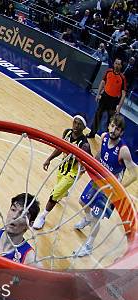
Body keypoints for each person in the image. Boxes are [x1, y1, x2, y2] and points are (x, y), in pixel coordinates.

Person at [74, 114, 137, 257]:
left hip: (110, 189)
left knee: (96, 217)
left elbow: (135, 174)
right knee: (82, 201)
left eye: (118, 128)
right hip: (98, 180)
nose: (114, 130)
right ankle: (87, 219)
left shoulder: (123, 150)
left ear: (121, 132)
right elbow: (100, 155)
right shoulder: (103, 137)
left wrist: (120, 188)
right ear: (109, 125)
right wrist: (89, 166)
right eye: (112, 126)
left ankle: (89, 245)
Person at [33, 115, 91, 230]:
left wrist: (84, 167)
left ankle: (42, 216)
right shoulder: (67, 133)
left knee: (54, 195)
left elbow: (90, 160)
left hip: (72, 174)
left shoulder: (84, 144)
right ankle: (63, 192)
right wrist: (49, 159)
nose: (76, 125)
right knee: (60, 191)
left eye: (79, 124)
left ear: (84, 127)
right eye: (75, 122)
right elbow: (60, 148)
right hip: (62, 168)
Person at [88, 58, 127, 138]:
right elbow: (103, 82)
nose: (117, 65)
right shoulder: (108, 72)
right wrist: (98, 94)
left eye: (119, 64)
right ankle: (92, 133)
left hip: (113, 101)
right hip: (105, 97)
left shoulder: (122, 78)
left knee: (111, 121)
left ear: (121, 66)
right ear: (114, 64)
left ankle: (107, 138)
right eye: (116, 63)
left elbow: (123, 94)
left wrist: (119, 107)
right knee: (98, 115)